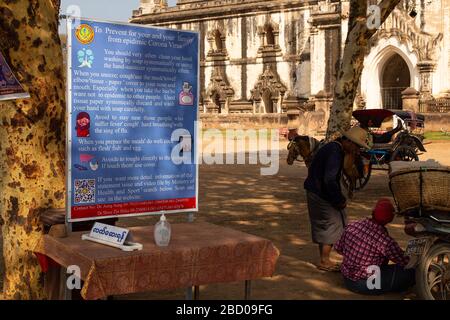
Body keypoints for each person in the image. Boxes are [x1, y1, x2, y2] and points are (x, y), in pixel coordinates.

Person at [304, 127, 369, 271]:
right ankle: (324, 260)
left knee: (333, 223)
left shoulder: (335, 149)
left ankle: (325, 258)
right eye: (356, 146)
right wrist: (338, 200)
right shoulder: (335, 152)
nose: (356, 150)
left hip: (317, 190)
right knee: (332, 224)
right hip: (320, 192)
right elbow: (330, 180)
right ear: (348, 142)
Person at [334, 198, 415, 295]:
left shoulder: (353, 226)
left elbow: (339, 248)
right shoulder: (385, 241)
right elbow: (405, 261)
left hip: (347, 278)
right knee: (411, 272)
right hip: (365, 284)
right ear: (390, 219)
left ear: (373, 211)